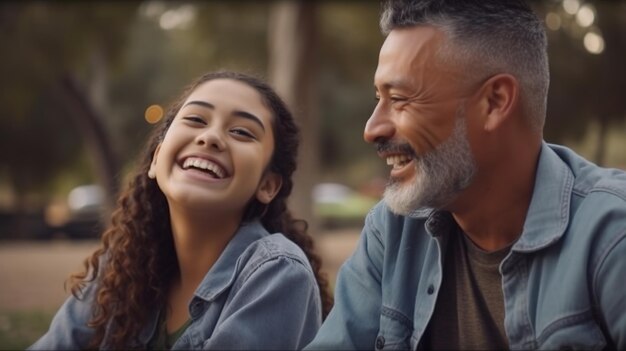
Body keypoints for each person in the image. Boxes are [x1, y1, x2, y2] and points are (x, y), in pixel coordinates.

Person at [306, 0, 626, 350]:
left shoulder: (611, 236)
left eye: (399, 99)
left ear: (494, 102)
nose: (372, 129)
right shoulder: (392, 230)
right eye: (377, 98)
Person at [30, 70, 333, 350]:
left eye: (241, 132)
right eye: (196, 119)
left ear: (267, 184)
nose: (210, 137)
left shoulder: (278, 273)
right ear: (156, 158)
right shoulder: (123, 266)